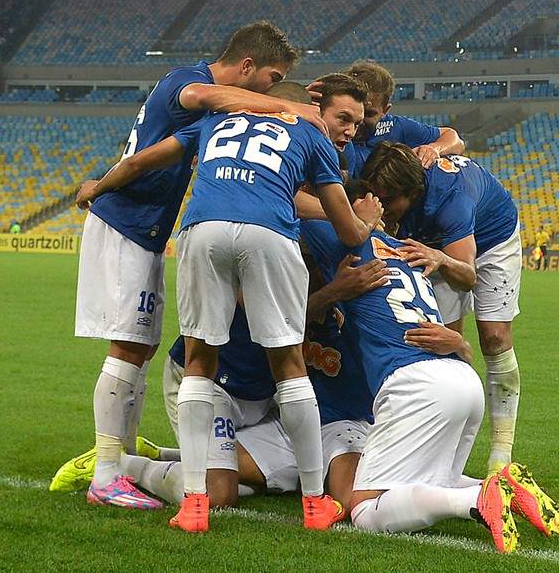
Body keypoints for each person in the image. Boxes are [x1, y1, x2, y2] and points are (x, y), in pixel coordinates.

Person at [82, 73, 380, 531]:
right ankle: (316, 505)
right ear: (300, 107)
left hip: (201, 229)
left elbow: (144, 160)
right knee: (289, 364)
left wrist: (97, 187)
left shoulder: (215, 120)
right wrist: (367, 223)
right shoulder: (309, 131)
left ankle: (194, 505)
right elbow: (347, 231)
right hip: (268, 232)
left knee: (200, 358)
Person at [59, 22, 320, 511]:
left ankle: (120, 461)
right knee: (128, 347)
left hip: (144, 228)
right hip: (127, 223)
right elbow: (204, 98)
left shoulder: (221, 113)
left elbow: (142, 159)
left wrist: (287, 97)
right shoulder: (188, 82)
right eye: (271, 78)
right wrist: (290, 107)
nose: (269, 91)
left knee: (142, 344)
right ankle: (106, 473)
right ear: (246, 67)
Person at [297, 186, 559, 551]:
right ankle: (500, 488)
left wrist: (346, 215)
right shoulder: (409, 252)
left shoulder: (344, 242)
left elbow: (286, 200)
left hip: (415, 386)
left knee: (363, 509)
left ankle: (473, 501)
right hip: (460, 379)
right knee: (429, 477)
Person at [358, 142, 525, 472]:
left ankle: (501, 455)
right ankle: (431, 449)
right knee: (437, 343)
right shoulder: (394, 182)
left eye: (389, 200)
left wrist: (440, 258)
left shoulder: (450, 201)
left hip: (490, 240)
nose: (382, 206)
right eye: (377, 197)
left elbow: (466, 275)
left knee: (493, 339)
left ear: (413, 192)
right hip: (433, 243)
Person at [339, 61, 464, 173]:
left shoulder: (396, 128)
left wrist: (434, 148)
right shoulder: (327, 132)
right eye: (349, 114)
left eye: (369, 114)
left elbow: (453, 138)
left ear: (385, 110)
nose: (359, 120)